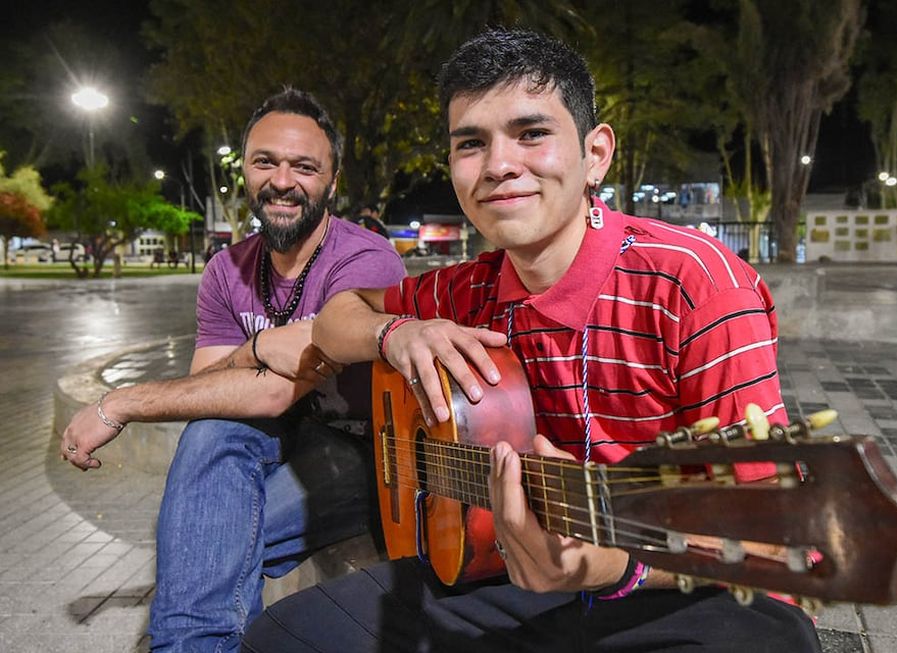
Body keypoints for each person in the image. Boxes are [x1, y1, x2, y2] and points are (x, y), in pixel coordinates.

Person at [242, 30, 819, 652]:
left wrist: (617, 565)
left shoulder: (693, 283)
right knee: (284, 636)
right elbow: (338, 315)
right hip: (510, 572)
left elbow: (778, 540)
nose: (498, 165)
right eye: (471, 143)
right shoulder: (468, 289)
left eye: (532, 133)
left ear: (595, 154)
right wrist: (396, 334)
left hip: (674, 588)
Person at [60, 88, 406, 652]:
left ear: (332, 181)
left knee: (203, 544)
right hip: (278, 441)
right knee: (213, 433)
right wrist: (257, 349)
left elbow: (271, 393)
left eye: (305, 167)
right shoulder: (227, 269)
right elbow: (211, 390)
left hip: (364, 453)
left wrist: (118, 403)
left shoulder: (365, 260)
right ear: (244, 169)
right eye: (265, 161)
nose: (283, 180)